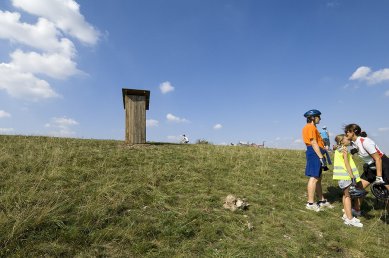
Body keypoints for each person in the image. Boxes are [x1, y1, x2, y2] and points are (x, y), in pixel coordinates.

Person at [344, 124, 389, 194]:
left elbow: (378, 159)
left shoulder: (365, 142)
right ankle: (355, 205)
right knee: (358, 189)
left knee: (386, 193)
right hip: (371, 166)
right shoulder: (353, 143)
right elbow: (342, 140)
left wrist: (379, 177)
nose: (346, 134)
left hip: (383, 165)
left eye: (347, 132)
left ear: (353, 132)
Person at [302, 109, 332, 211]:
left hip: (317, 152)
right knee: (314, 178)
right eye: (318, 116)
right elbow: (313, 142)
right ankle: (310, 203)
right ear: (313, 118)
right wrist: (320, 157)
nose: (320, 118)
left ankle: (321, 200)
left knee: (318, 178)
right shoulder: (310, 127)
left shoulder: (312, 127)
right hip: (315, 152)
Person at [333, 134, 363, 227]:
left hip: (343, 177)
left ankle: (346, 215)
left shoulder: (340, 148)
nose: (349, 139)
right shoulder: (343, 149)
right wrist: (352, 176)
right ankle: (349, 219)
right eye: (347, 138)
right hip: (346, 177)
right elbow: (346, 163)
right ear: (342, 141)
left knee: (345, 195)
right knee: (348, 197)